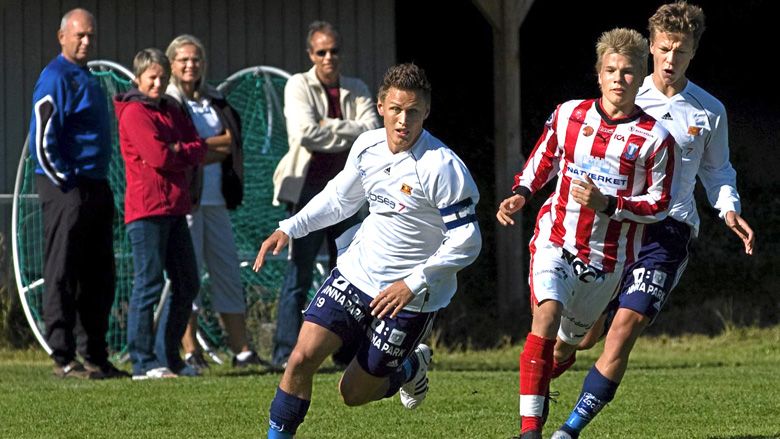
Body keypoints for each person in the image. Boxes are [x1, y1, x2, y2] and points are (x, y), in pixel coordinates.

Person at [550, 4, 756, 438]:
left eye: (680, 51)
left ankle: (568, 431)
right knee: (579, 338)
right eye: (663, 48)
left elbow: (718, 170)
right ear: (651, 47)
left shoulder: (708, 110)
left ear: (693, 51)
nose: (670, 59)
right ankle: (551, 368)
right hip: (615, 226)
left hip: (669, 231)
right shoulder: (626, 94)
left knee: (624, 329)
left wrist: (729, 207)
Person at [254, 63, 481, 438]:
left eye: (413, 111)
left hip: (410, 296)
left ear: (426, 111)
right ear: (380, 107)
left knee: (353, 394)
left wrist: (412, 283)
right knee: (300, 359)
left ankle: (410, 368)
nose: (403, 120)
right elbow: (339, 200)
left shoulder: (442, 167)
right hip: (356, 273)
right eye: (396, 109)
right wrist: (289, 227)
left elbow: (468, 241)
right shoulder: (367, 146)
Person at [496, 28, 677, 439]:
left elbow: (659, 204)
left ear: (641, 76)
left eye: (628, 72)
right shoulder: (569, 115)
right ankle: (530, 430)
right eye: (611, 70)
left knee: (570, 346)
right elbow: (544, 158)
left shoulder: (656, 139)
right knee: (546, 314)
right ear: (598, 73)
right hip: (556, 238)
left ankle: (543, 376)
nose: (618, 79)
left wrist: (608, 204)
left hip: (607, 260)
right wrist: (521, 193)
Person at [271, 20, 381, 369]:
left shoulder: (356, 87)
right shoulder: (297, 85)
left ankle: (346, 353)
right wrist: (350, 132)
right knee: (299, 274)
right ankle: (285, 351)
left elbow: (373, 131)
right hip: (307, 191)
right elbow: (304, 134)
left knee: (350, 275)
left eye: (334, 51)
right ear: (311, 54)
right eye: (321, 52)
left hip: (349, 195)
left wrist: (327, 127)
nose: (328, 57)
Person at [28, 8, 128, 379]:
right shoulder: (55, 77)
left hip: (95, 183)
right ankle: (63, 355)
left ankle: (95, 355)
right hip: (66, 186)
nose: (86, 42)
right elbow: (42, 138)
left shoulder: (88, 77)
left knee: (100, 274)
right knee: (63, 270)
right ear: (62, 37)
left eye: (90, 36)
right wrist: (65, 182)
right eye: (79, 35)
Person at [165, 34, 265, 370]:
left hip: (217, 199)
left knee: (227, 271)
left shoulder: (214, 99)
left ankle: (243, 350)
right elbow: (176, 150)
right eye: (183, 59)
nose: (190, 65)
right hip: (187, 202)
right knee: (188, 274)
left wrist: (198, 148)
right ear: (172, 64)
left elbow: (231, 143)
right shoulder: (169, 101)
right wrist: (205, 148)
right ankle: (190, 348)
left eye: (196, 59)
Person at [115, 48, 207, 380]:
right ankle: (143, 361)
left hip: (175, 208)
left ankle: (168, 356)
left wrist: (178, 149)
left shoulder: (171, 108)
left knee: (187, 282)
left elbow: (198, 146)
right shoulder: (134, 112)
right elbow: (157, 156)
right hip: (146, 210)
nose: (157, 84)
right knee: (149, 282)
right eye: (151, 78)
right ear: (138, 79)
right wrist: (179, 151)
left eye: (162, 78)